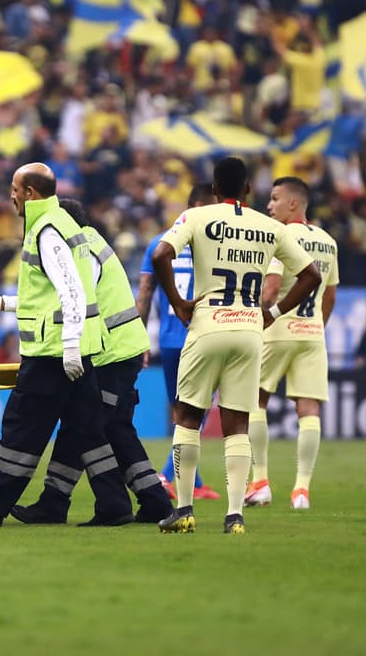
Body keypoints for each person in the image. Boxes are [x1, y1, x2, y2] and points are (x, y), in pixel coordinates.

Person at [0, 163, 134, 527]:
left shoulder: (46, 230)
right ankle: (114, 504)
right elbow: (49, 295)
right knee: (87, 429)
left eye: (15, 189)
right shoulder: (61, 224)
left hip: (53, 353)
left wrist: (71, 346)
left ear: (30, 193)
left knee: (22, 427)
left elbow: (71, 291)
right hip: (72, 349)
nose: (10, 195)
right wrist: (4, 303)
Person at [151, 156, 321, 535]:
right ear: (248, 189)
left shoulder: (197, 217)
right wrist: (273, 313)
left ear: (213, 189)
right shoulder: (269, 226)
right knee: (237, 425)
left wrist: (178, 302)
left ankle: (184, 510)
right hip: (249, 329)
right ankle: (234, 516)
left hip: (208, 323)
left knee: (188, 418)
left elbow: (160, 254)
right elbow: (311, 275)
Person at [2, 198, 173, 525]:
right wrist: (5, 304)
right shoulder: (91, 243)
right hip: (119, 349)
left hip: (111, 353)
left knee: (100, 427)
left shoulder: (82, 250)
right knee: (88, 425)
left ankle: (139, 502)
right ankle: (58, 501)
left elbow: (76, 297)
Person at [245, 177, 340, 510]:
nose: (269, 205)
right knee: (309, 409)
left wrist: (261, 316)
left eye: (275, 199)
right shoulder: (328, 241)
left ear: (293, 204)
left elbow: (271, 290)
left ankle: (260, 482)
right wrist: (316, 325)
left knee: (255, 401)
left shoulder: (280, 236)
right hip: (312, 332)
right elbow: (330, 295)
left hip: (276, 328)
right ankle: (301, 490)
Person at [136, 183, 220, 502]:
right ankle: (166, 475)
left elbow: (145, 292)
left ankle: (194, 482)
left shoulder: (159, 242)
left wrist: (139, 337)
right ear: (199, 207)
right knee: (196, 412)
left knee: (180, 413)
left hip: (170, 341)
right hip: (201, 337)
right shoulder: (214, 244)